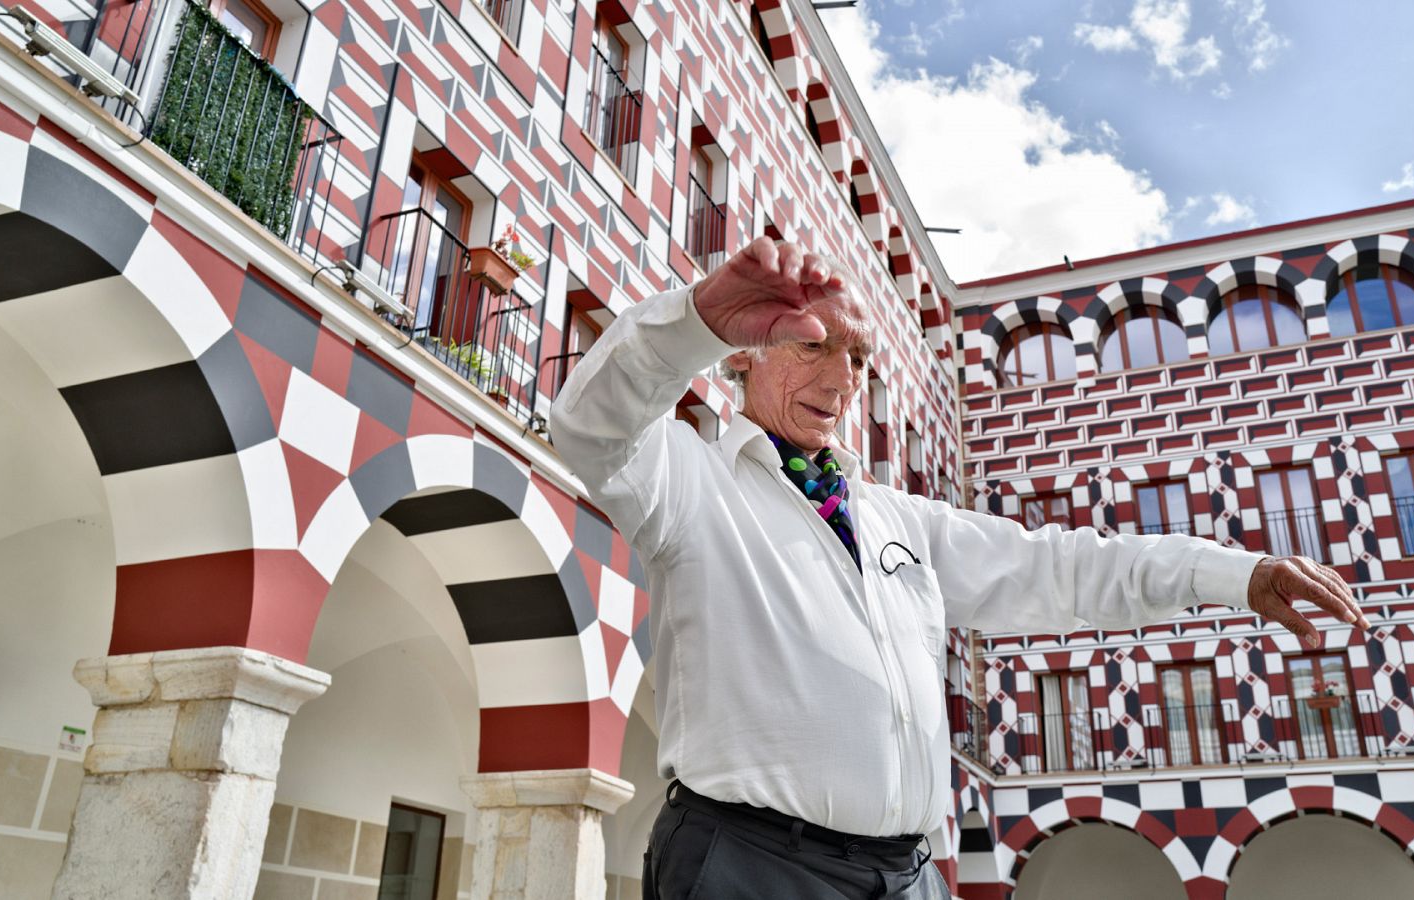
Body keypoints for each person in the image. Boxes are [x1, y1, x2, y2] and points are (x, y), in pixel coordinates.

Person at [550, 238, 1368, 899]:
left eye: (858, 358)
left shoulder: (898, 519)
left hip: (908, 873)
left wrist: (1233, 574)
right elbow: (591, 426)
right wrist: (691, 323)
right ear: (743, 360)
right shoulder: (692, 485)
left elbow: (1064, 569)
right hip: (752, 868)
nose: (839, 380)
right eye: (809, 347)